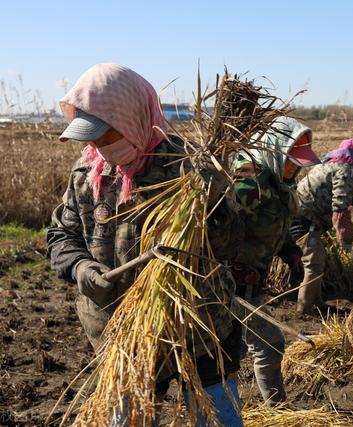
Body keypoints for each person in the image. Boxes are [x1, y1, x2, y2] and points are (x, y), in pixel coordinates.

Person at [46, 64, 243, 426]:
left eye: (106, 135)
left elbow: (229, 246)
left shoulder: (191, 168)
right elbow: (62, 235)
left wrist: (213, 205)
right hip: (122, 332)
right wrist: (81, 268)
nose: (99, 148)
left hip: (199, 327)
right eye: (91, 138)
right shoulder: (87, 174)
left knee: (217, 416)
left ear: (134, 116)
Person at [231, 116, 319, 405]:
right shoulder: (247, 182)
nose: (296, 168)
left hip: (251, 281)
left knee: (253, 346)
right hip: (228, 284)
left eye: (299, 163)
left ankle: (273, 407)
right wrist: (232, 267)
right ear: (274, 150)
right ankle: (274, 409)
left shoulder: (278, 185)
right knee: (264, 343)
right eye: (291, 161)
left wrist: (291, 253)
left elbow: (273, 227)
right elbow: (215, 228)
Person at [291, 136, 353, 314]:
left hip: (298, 214)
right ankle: (303, 310)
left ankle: (317, 302)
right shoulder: (346, 169)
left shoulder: (333, 162)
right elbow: (339, 209)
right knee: (314, 264)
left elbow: (330, 192)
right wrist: (345, 238)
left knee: (320, 261)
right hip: (303, 220)